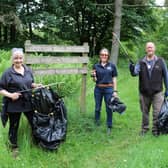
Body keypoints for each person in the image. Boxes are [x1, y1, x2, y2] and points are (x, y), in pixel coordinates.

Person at [0, 48, 41, 157]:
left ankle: (37, 143)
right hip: (14, 104)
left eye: (20, 58)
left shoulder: (27, 70)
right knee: (14, 126)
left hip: (28, 102)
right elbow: (1, 88)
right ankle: (14, 148)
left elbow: (29, 83)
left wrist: (35, 85)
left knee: (34, 123)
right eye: (16, 58)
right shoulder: (8, 73)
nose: (18, 60)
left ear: (23, 58)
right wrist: (10, 95)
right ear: (12, 59)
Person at [129, 42, 168, 136]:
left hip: (157, 92)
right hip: (144, 92)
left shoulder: (161, 61)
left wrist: (167, 89)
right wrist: (131, 68)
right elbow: (134, 73)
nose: (149, 49)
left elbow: (166, 76)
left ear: (154, 49)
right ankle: (144, 129)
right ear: (146, 50)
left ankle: (155, 130)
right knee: (145, 112)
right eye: (148, 47)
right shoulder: (140, 62)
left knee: (157, 112)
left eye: (151, 47)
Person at [91, 48, 118, 134]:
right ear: (100, 56)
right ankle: (96, 123)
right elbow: (95, 80)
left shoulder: (112, 66)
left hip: (109, 89)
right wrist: (94, 76)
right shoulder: (96, 66)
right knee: (97, 108)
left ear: (108, 56)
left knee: (109, 108)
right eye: (102, 54)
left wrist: (115, 91)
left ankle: (109, 126)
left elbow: (114, 78)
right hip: (98, 89)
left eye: (105, 55)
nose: (104, 56)